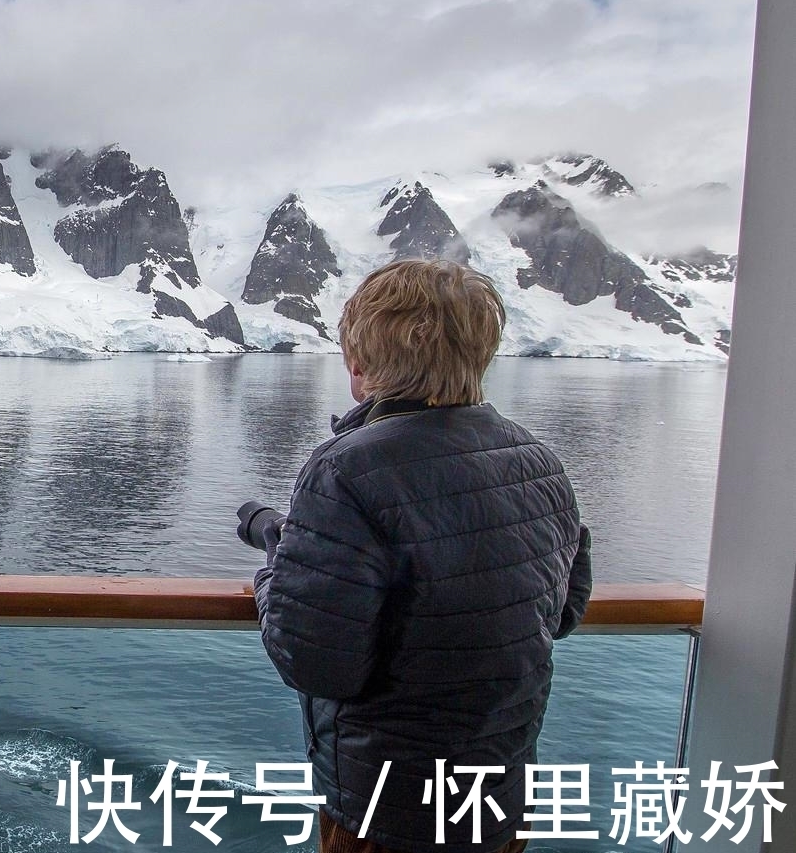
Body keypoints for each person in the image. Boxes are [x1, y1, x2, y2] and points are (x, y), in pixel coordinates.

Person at [235, 259, 592, 853]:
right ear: (479, 354)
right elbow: (566, 611)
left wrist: (272, 569)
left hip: (386, 812)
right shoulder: (540, 464)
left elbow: (316, 662)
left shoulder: (345, 470)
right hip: (497, 799)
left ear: (361, 365)